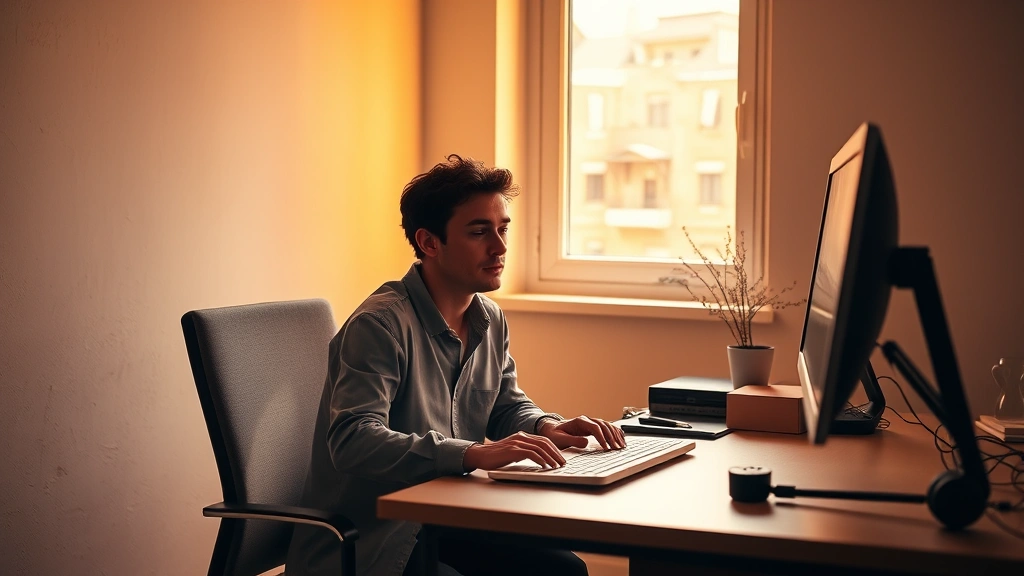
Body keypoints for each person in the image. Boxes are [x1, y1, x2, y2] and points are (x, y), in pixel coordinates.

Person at [286, 155, 626, 576]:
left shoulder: (488, 317)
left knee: (563, 570)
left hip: (446, 519)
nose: (500, 247)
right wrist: (472, 453)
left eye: (503, 229)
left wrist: (546, 427)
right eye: (480, 232)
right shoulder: (379, 326)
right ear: (430, 242)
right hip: (372, 539)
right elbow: (353, 440)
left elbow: (504, 405)